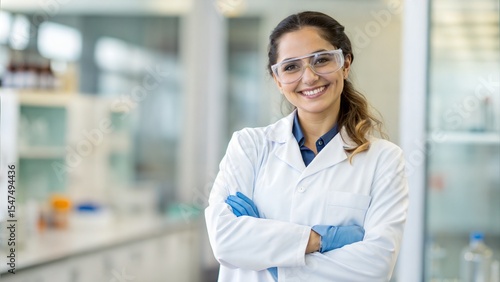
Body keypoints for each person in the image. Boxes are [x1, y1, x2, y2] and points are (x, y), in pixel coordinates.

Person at [205, 11, 409, 282]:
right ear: (278, 80)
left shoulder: (384, 159)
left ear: (345, 64)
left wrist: (270, 261)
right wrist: (319, 240)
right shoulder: (249, 146)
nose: (310, 77)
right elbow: (225, 240)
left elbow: (375, 265)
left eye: (322, 60)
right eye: (291, 67)